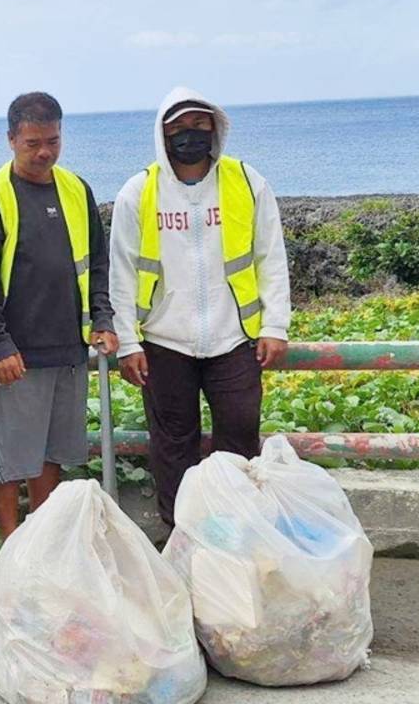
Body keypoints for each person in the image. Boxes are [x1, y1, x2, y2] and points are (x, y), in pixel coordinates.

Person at [109, 87, 291, 527]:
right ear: (162, 134)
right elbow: (122, 271)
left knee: (240, 440)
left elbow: (271, 256)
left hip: (235, 341)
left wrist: (275, 326)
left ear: (215, 129)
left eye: (198, 125)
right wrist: (128, 342)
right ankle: (181, 535)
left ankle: (239, 532)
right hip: (164, 342)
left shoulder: (247, 182)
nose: (189, 135)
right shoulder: (139, 192)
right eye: (178, 128)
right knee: (173, 447)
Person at [0, 92, 117, 539]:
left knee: (52, 455)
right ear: (11, 140)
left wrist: (102, 318)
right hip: (16, 356)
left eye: (53, 141)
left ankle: (42, 544)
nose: (44, 152)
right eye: (33, 143)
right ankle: (10, 550)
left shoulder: (76, 190)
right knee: (9, 458)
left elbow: (96, 263)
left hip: (69, 348)